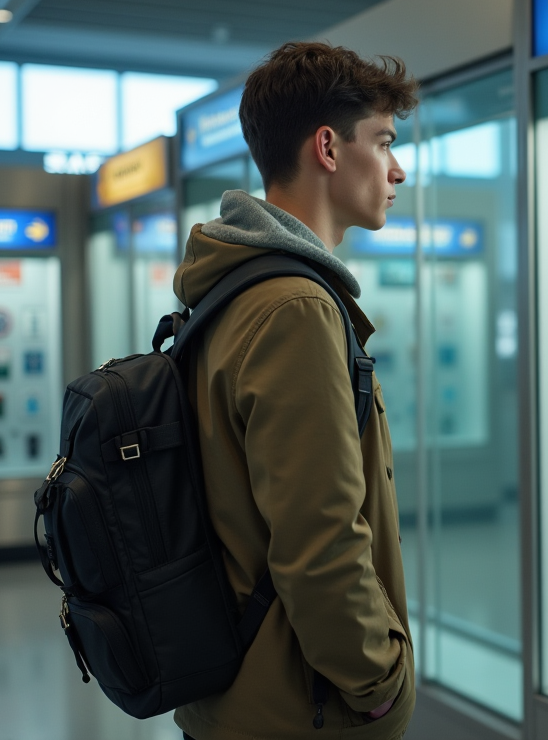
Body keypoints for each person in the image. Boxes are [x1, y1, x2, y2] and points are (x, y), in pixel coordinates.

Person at [172, 42, 418, 740]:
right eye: (384, 141)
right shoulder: (295, 308)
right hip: (296, 707)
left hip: (234, 688)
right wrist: (378, 685)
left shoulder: (228, 285)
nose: (397, 169)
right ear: (329, 148)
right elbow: (319, 542)